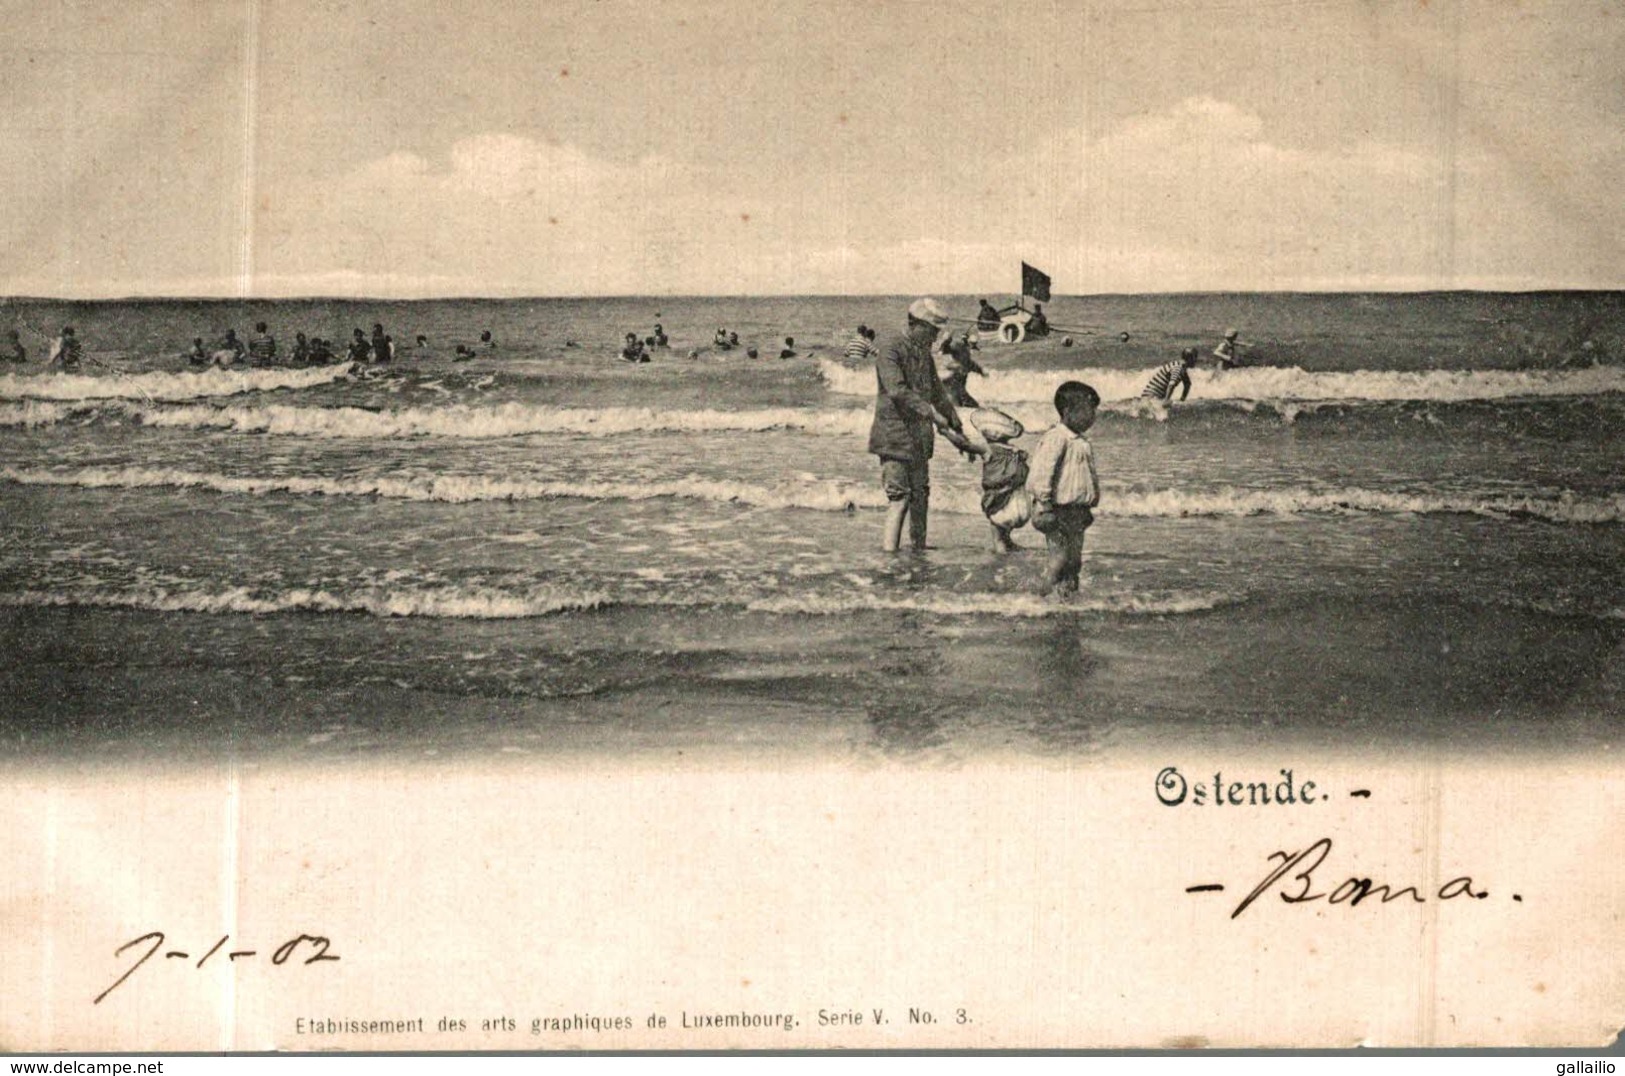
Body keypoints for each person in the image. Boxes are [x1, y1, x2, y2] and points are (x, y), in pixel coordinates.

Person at [867, 298, 976, 553]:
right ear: (916, 325)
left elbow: (937, 392)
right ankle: (890, 557)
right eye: (932, 331)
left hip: (918, 439)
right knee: (899, 498)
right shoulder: (890, 347)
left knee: (921, 496)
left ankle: (919, 549)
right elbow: (897, 391)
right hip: (893, 436)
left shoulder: (922, 351)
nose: (935, 337)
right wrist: (933, 416)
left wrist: (955, 423)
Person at [1027, 381, 1100, 596]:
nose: (1093, 416)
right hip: (1057, 509)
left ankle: (1067, 600)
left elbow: (1086, 478)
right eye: (1089, 411)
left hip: (1076, 510)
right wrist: (1044, 505)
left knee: (1075, 562)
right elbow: (1042, 472)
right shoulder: (1057, 437)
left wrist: (1090, 504)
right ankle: (1038, 598)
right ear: (1068, 412)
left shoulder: (1081, 441)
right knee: (1059, 559)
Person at [976, 412, 1031, 554]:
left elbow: (965, 444)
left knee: (997, 534)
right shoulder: (1015, 451)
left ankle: (1001, 559)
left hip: (999, 502)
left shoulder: (988, 449)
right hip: (1019, 504)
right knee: (1005, 529)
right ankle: (1009, 544)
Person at [937, 329, 986, 408]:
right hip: (954, 380)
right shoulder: (959, 347)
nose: (973, 346)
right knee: (957, 399)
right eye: (972, 343)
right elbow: (943, 350)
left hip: (959, 383)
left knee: (969, 403)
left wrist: (981, 372)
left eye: (974, 344)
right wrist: (947, 341)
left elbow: (970, 364)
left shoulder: (966, 353)